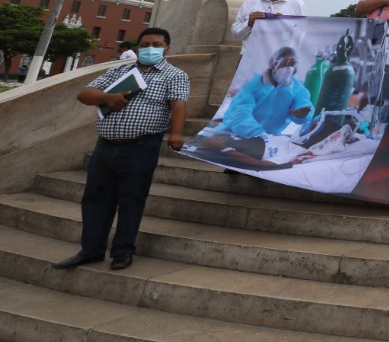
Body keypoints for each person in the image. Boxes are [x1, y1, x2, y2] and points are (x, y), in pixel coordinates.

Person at [52, 27, 189, 272]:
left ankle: (122, 251)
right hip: (105, 146)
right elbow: (85, 94)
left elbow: (178, 104)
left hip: (141, 146)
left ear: (167, 49)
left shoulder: (174, 75)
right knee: (95, 199)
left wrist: (176, 133)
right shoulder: (119, 70)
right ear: (137, 47)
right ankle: (91, 249)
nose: (150, 48)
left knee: (131, 199)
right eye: (145, 43)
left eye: (157, 45)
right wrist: (107, 98)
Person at [220, 46, 314, 141]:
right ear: (274, 65)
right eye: (285, 63)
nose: (289, 68)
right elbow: (239, 113)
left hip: (270, 139)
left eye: (292, 65)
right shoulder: (253, 85)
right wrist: (256, 133)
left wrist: (302, 114)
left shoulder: (297, 89)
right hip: (236, 135)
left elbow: (303, 104)